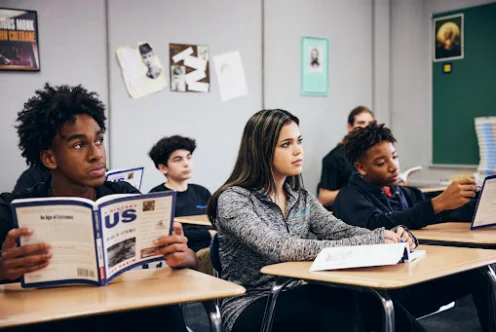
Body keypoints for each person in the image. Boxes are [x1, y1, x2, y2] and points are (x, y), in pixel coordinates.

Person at [207, 109, 427, 332]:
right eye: (286, 144)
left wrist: (388, 234)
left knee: (370, 299)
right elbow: (281, 248)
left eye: (299, 141)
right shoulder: (234, 199)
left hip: (296, 292)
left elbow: (339, 230)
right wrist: (368, 243)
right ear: (260, 151)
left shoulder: (300, 197)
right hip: (250, 304)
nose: (298, 150)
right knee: (343, 308)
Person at [0, 83, 195, 331]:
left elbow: (188, 260)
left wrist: (182, 255)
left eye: (99, 140)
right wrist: (3, 269)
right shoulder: (13, 210)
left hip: (121, 310)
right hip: (56, 317)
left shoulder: (124, 196)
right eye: (79, 145)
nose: (97, 154)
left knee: (164, 313)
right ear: (50, 158)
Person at [333, 122, 492, 331]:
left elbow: (446, 212)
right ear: (361, 168)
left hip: (416, 278)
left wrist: (483, 203)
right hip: (382, 291)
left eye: (394, 157)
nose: (393, 166)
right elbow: (381, 223)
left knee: (482, 273)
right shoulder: (348, 197)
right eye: (381, 162)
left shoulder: (404, 193)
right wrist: (437, 204)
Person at [148, 135, 214, 252]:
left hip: (212, 251)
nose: (186, 164)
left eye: (188, 158)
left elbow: (215, 224)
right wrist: (208, 233)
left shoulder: (202, 192)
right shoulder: (157, 196)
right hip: (180, 255)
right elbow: (164, 234)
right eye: (178, 159)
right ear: (163, 168)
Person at [317, 105, 374, 209]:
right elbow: (323, 198)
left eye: (370, 124)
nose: (366, 128)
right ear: (350, 127)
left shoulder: (377, 153)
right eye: (361, 123)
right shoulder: (334, 157)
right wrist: (357, 190)